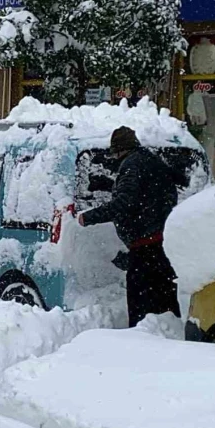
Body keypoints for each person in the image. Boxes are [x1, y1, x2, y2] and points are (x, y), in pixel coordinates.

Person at [78, 126, 181, 327]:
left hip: (145, 246)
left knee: (139, 304)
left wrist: (88, 217)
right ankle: (169, 336)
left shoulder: (132, 165)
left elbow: (124, 202)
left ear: (119, 149)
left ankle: (138, 342)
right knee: (165, 299)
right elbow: (171, 190)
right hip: (162, 242)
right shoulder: (151, 161)